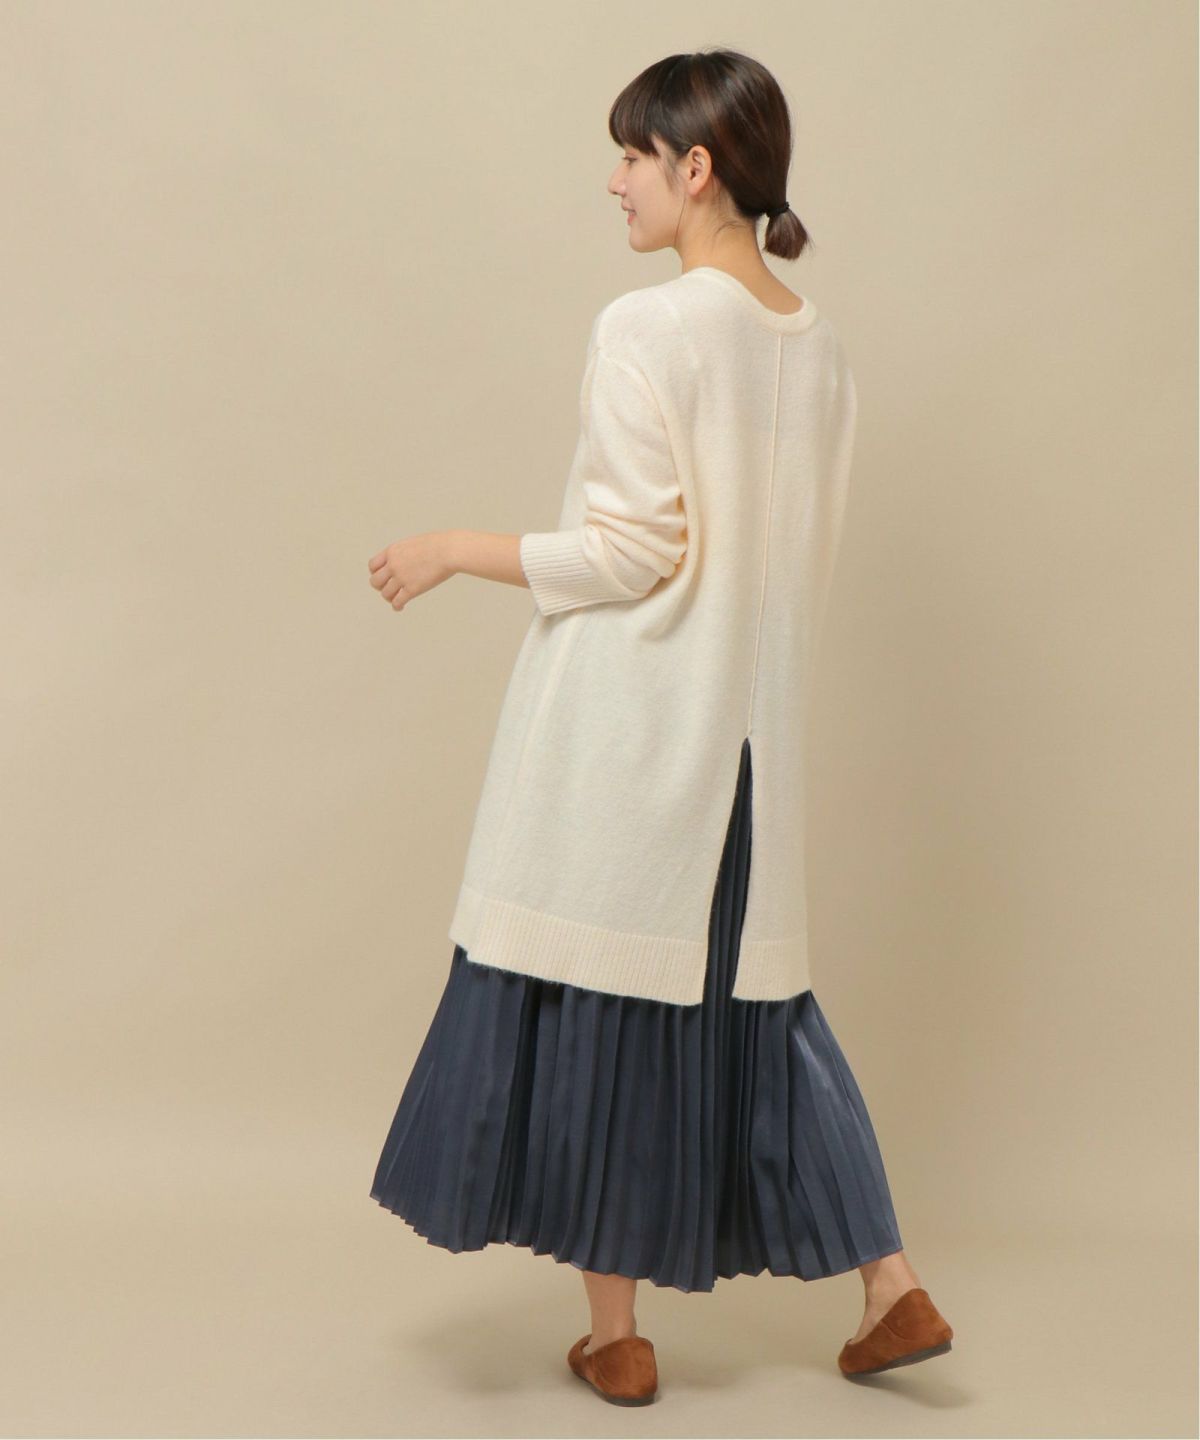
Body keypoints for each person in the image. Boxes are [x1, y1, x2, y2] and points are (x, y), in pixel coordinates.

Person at [365, 47, 954, 1407]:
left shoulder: (649, 328)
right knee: (763, 1018)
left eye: (634, 155)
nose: (616, 180)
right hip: (753, 753)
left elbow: (630, 553)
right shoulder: (821, 349)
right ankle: (891, 1288)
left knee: (596, 1009)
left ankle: (621, 1338)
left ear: (697, 168)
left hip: (636, 737)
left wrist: (454, 547)